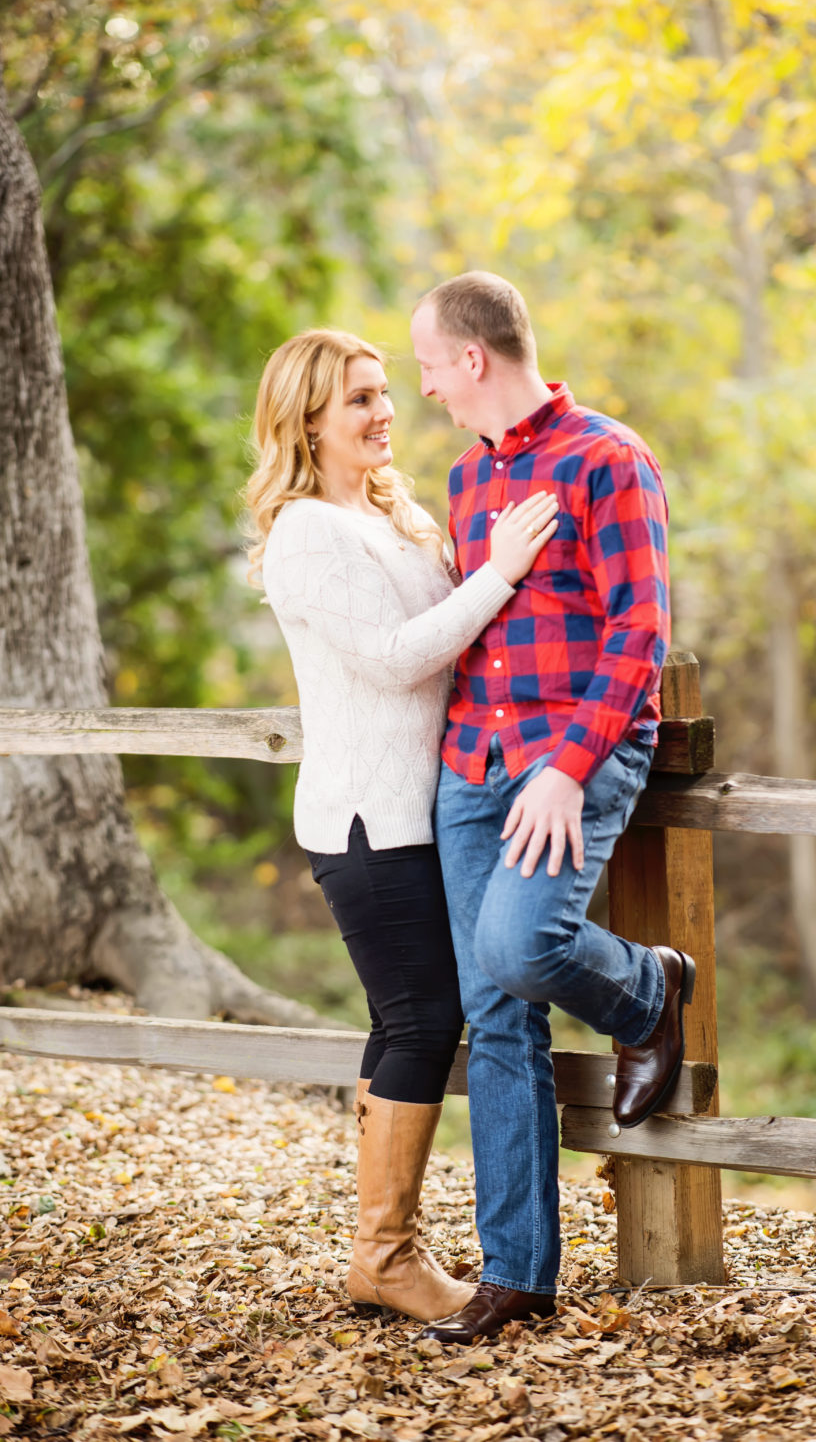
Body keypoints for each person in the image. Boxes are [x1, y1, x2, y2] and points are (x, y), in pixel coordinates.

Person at [244, 327, 558, 1323]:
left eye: (385, 393)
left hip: (430, 811)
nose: (386, 413)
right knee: (420, 1020)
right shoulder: (304, 532)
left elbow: (464, 641)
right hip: (362, 820)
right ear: (307, 421)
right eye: (360, 401)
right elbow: (390, 659)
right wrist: (498, 571)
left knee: (423, 1018)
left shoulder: (393, 514)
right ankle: (383, 1257)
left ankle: (383, 1256)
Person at [409, 273, 695, 1345]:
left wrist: (568, 764)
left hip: (567, 758)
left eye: (431, 364)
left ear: (472, 358)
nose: (427, 385)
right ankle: (518, 1273)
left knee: (523, 949)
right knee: (493, 1013)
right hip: (472, 766)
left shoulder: (607, 459)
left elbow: (638, 636)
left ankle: (645, 990)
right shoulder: (464, 479)